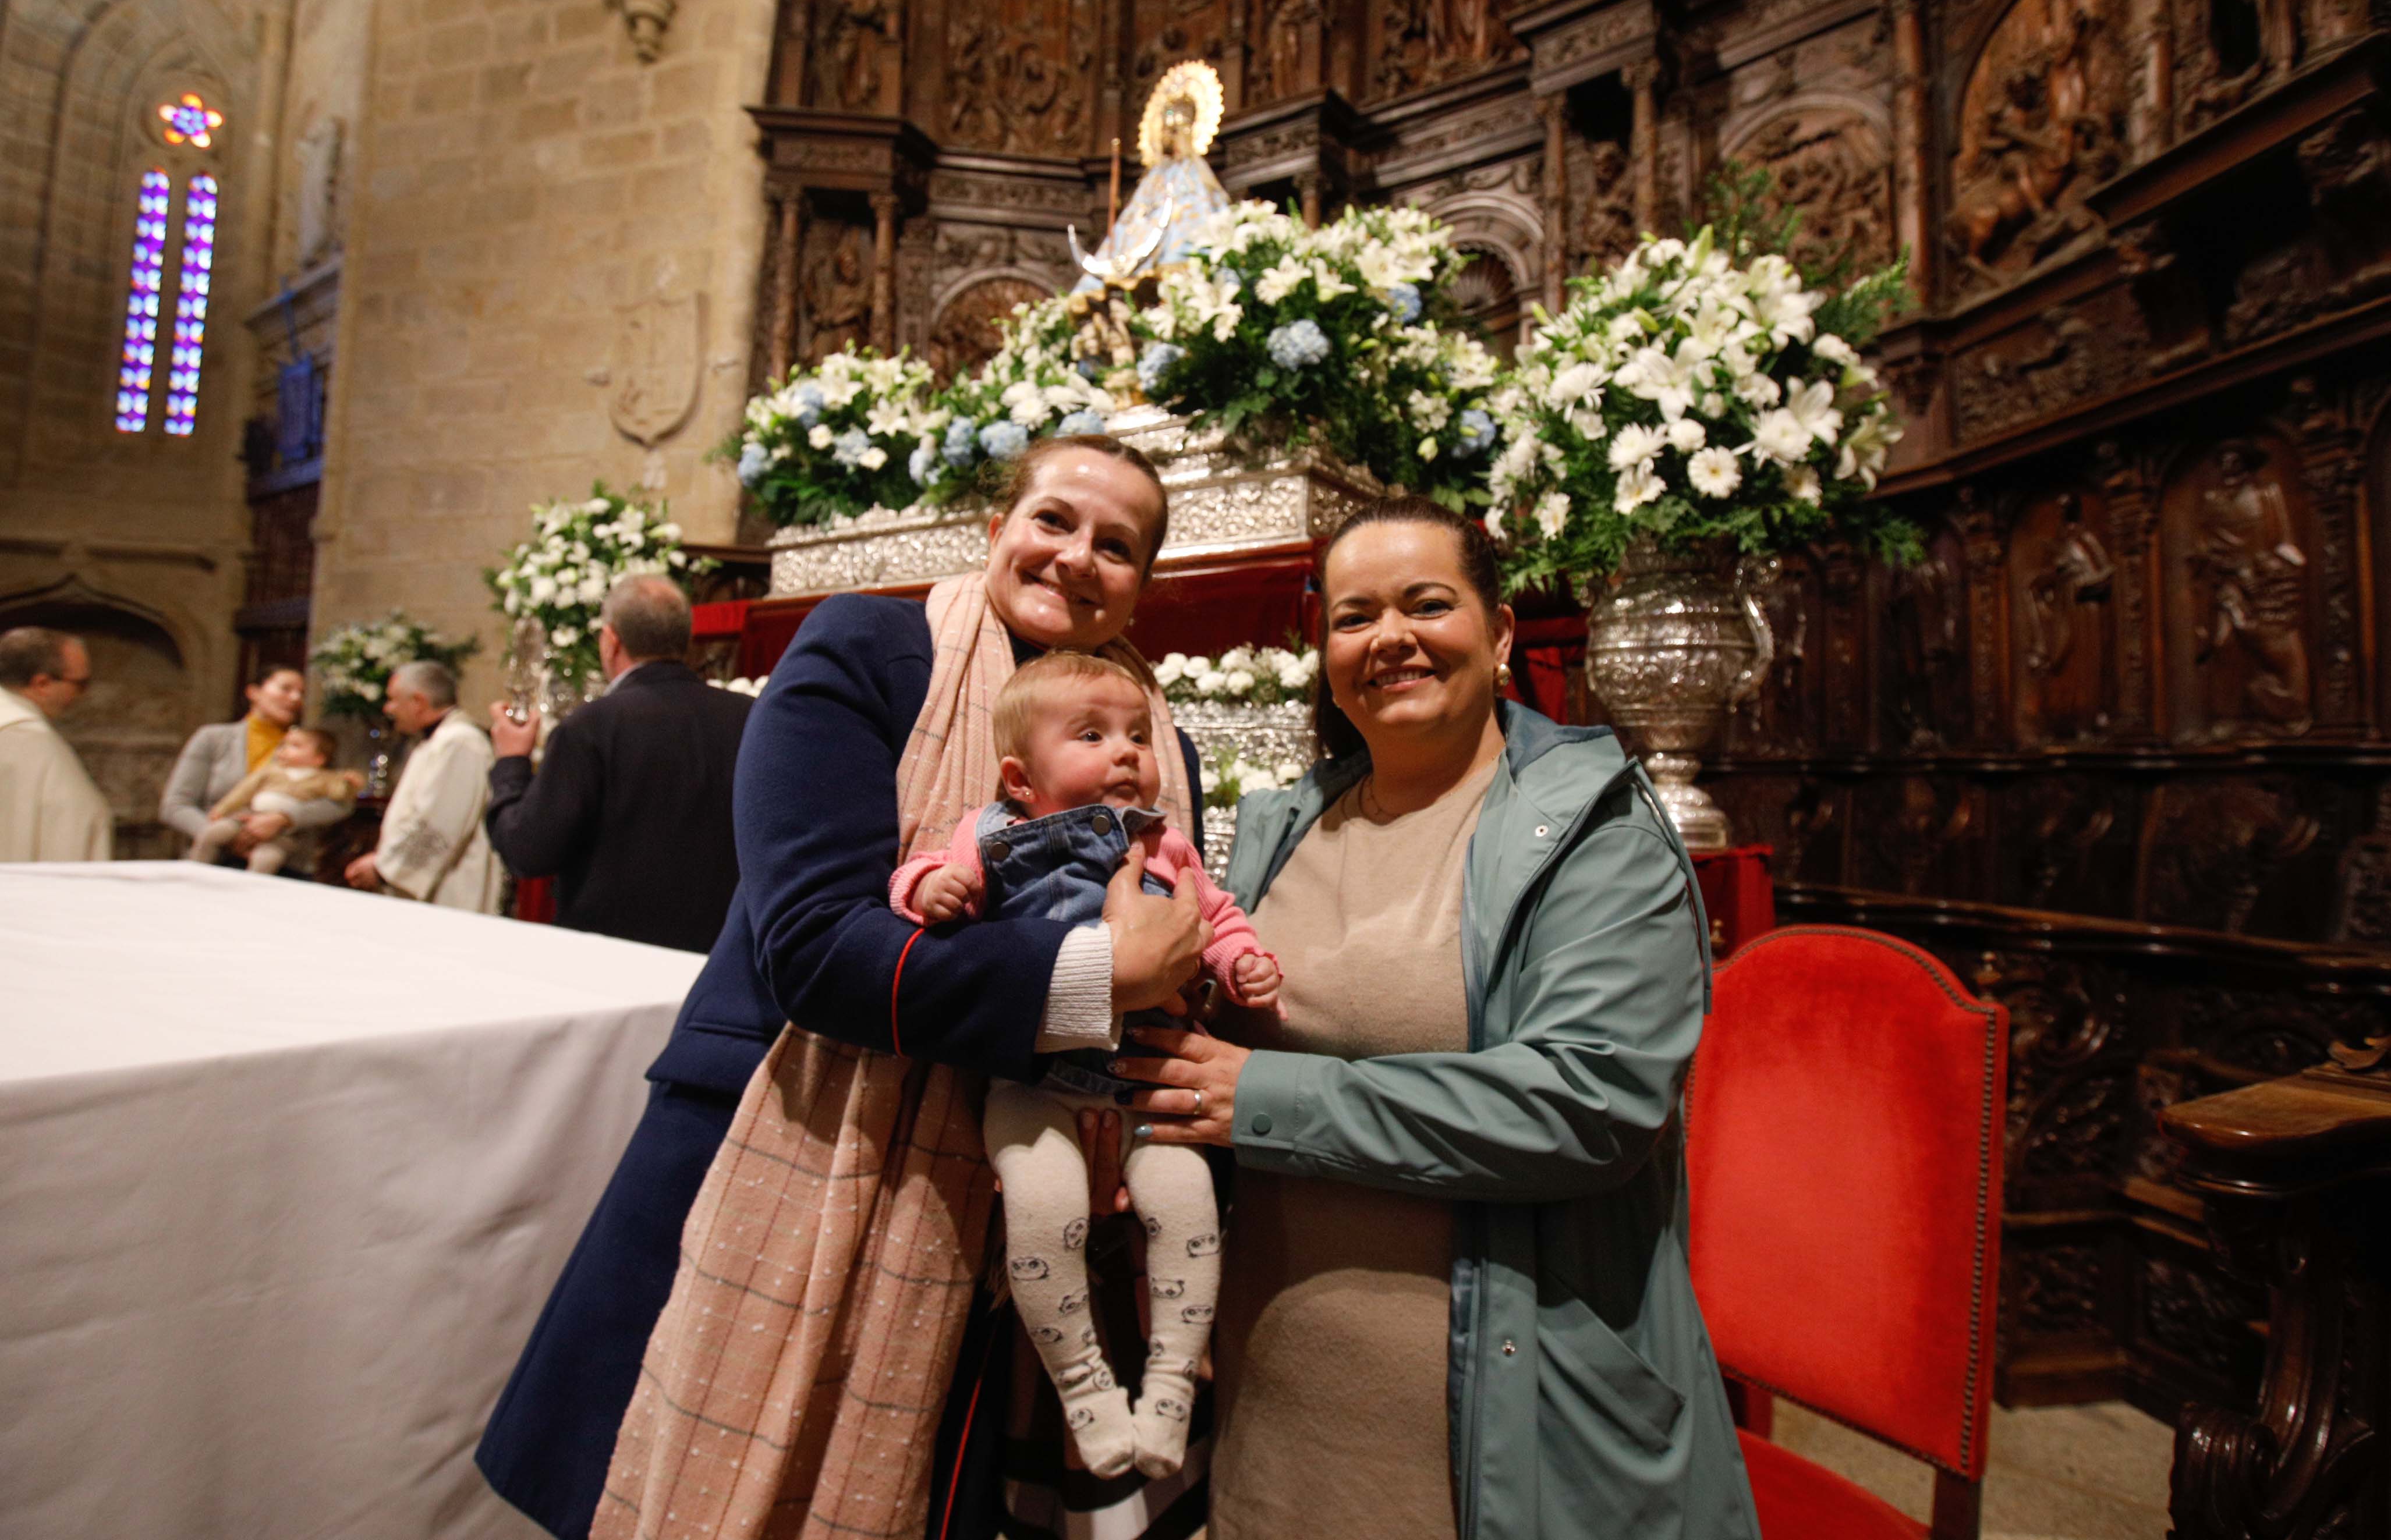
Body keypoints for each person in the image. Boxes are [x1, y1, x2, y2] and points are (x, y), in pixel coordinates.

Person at [478, 434, 1213, 1540]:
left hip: (1020, 1197)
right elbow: (818, 944)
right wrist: (1099, 977)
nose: (1075, 557)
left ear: (1143, 587)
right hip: (792, 1134)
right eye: (1053, 519)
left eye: (1117, 546)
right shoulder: (875, 648)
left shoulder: (1157, 746)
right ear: (997, 528)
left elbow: (1183, 925)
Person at [1111, 499, 1761, 1539]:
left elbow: (1587, 1103)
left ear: (1500, 632)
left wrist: (1264, 1099)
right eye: (1354, 616)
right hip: (1279, 1411)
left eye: (1427, 603)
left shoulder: (1594, 833)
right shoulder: (1281, 826)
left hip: (1497, 1435)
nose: (1390, 638)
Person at [890, 652, 1280, 1480]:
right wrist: (930, 887)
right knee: (1042, 1209)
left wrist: (1242, 960)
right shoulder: (990, 831)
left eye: (1138, 735)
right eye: (1093, 734)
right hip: (1035, 1086)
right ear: (1019, 778)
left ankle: (1172, 1377)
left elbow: (1213, 917)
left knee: (1187, 1206)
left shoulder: (1165, 843)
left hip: (1149, 1077)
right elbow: (916, 879)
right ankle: (1082, 1383)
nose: (1127, 752)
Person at [483, 575, 750, 952]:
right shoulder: (749, 717)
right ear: (685, 640)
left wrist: (511, 764)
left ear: (611, 642)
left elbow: (528, 850)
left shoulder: (592, 726)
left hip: (612, 957)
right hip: (719, 956)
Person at [343, 660, 503, 913]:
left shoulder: (460, 742)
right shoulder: (436, 741)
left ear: (418, 702)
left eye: (393, 699)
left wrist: (384, 868)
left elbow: (440, 822)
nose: (388, 708)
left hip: (451, 889)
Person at [160, 664, 312, 851]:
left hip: (276, 858)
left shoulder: (308, 748)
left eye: (302, 693)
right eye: (286, 689)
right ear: (254, 692)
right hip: (212, 857)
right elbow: (175, 805)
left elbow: (329, 802)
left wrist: (286, 818)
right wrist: (223, 837)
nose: (296, 698)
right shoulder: (213, 738)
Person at [0, 627, 112, 863]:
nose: (82, 695)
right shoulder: (33, 743)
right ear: (42, 684)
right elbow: (81, 825)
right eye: (80, 684)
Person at [185, 726, 357, 875]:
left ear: (319, 759)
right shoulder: (271, 771)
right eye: (283, 745)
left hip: (286, 834)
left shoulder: (324, 778)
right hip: (248, 816)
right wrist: (223, 809)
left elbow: (340, 798)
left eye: (295, 746)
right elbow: (244, 791)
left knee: (268, 858)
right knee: (213, 833)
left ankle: (249, 889)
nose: (283, 750)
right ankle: (195, 871)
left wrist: (349, 784)